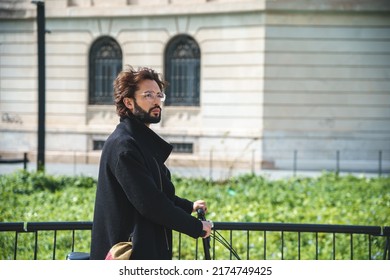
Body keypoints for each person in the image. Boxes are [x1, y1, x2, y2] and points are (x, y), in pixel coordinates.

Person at [90, 65, 212, 260]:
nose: (156, 101)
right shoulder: (124, 145)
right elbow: (151, 204)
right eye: (148, 95)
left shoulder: (140, 142)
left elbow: (159, 193)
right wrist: (196, 227)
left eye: (158, 95)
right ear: (129, 103)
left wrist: (189, 206)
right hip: (128, 255)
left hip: (146, 251)